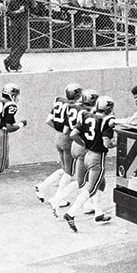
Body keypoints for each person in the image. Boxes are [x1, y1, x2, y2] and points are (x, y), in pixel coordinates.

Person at [63, 96, 116, 232]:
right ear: (109, 108)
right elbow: (106, 144)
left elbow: (73, 134)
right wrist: (116, 143)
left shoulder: (86, 115)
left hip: (87, 154)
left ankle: (99, 214)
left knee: (100, 183)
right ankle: (71, 213)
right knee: (91, 187)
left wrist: (85, 144)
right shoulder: (106, 121)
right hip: (97, 157)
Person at [48, 89, 98, 217]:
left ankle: (88, 206)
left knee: (85, 178)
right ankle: (57, 199)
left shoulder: (72, 108)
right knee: (82, 180)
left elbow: (66, 130)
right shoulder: (89, 113)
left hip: (74, 144)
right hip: (83, 145)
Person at [35, 83, 83, 204]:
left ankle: (43, 186)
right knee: (69, 172)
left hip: (60, 137)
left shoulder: (59, 101)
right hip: (69, 139)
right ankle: (58, 199)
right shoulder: (76, 107)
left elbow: (48, 121)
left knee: (65, 168)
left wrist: (61, 132)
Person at [3, 0, 31, 72]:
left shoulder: (25, 1)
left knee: (23, 45)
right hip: (14, 25)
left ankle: (9, 60)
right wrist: (17, 12)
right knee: (15, 45)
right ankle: (14, 64)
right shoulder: (11, 1)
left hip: (23, 25)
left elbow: (33, 8)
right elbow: (8, 13)